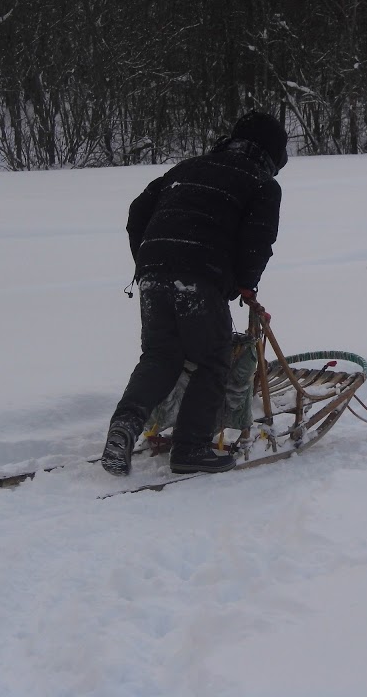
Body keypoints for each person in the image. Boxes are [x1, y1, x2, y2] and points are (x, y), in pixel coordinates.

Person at [101, 110, 287, 476]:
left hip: (154, 271)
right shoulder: (261, 183)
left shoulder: (185, 168)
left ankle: (123, 427)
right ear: (270, 153)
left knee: (160, 356)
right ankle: (191, 446)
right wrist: (247, 283)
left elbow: (138, 211)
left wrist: (149, 257)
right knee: (214, 359)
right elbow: (257, 238)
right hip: (200, 275)